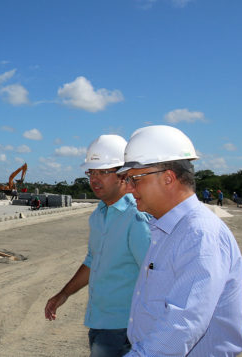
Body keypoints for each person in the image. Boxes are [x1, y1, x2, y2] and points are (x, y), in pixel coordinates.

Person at [117, 125, 242, 356]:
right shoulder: (167, 228)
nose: (128, 188)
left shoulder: (198, 234)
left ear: (168, 178)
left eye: (134, 179)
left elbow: (181, 326)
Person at [44, 134, 150, 357]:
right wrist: (63, 295)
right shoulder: (99, 215)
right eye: (91, 172)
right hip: (100, 322)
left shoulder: (137, 218)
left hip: (125, 328)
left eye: (103, 171)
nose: (94, 179)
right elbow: (93, 261)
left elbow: (155, 276)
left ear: (123, 174)